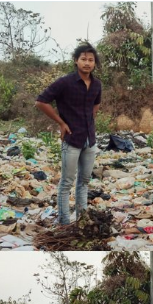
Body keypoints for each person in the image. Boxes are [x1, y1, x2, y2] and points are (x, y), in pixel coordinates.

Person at [35, 42, 102, 225]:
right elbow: (41, 101)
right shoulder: (65, 82)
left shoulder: (96, 85)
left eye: (91, 60)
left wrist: (90, 121)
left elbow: (96, 104)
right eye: (83, 59)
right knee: (66, 183)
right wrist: (61, 122)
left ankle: (81, 219)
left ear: (94, 63)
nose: (87, 63)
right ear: (76, 61)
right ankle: (64, 222)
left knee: (84, 182)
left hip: (90, 141)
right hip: (72, 140)